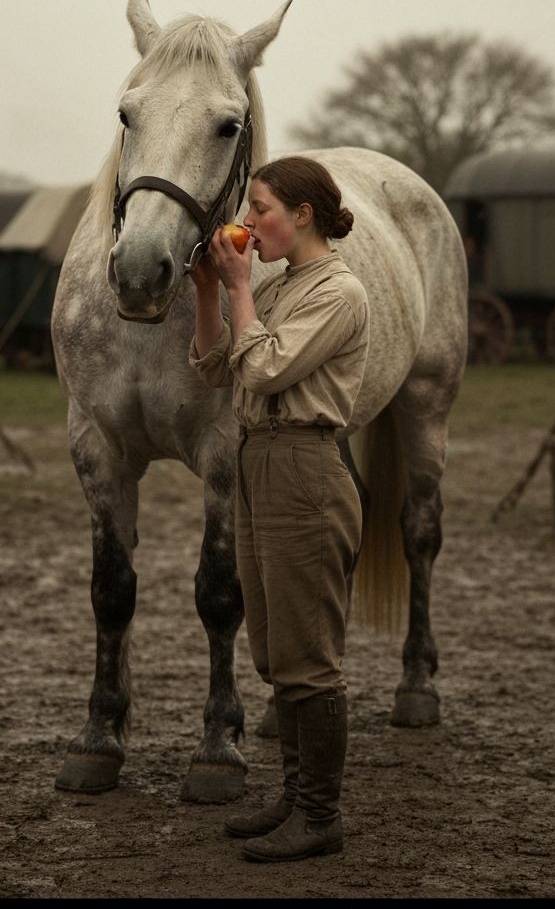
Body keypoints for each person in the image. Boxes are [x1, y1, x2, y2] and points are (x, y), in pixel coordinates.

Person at [188, 155, 369, 863]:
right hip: (259, 460)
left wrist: (238, 288)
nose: (249, 222)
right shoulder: (282, 285)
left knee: (309, 660)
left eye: (260, 207)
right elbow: (213, 367)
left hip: (304, 466)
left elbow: (262, 368)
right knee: (272, 649)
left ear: (302, 215)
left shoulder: (340, 292)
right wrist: (211, 291)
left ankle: (321, 814)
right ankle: (294, 797)